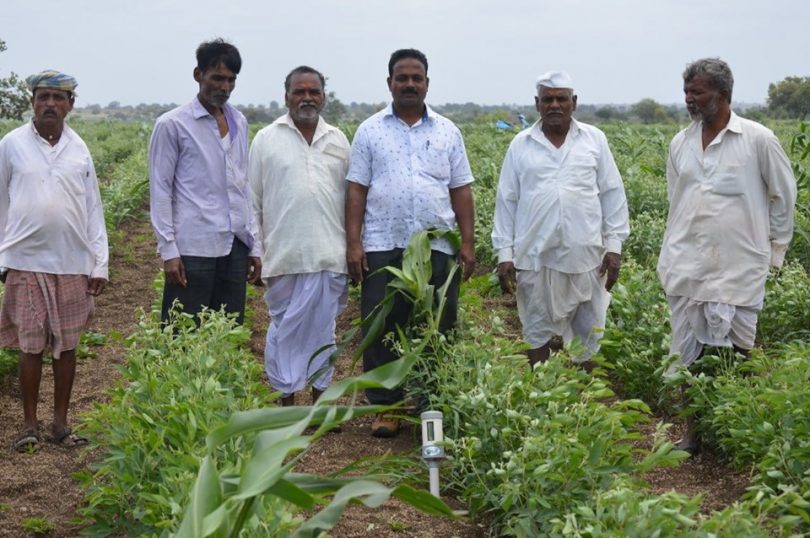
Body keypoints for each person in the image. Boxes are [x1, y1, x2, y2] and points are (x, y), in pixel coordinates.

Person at [658, 58, 796, 454]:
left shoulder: (758, 140)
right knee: (687, 352)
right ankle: (693, 434)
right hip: (686, 261)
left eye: (697, 92)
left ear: (723, 94)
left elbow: (783, 197)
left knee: (738, 351)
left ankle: (737, 429)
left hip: (739, 265)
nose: (690, 99)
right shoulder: (680, 143)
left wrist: (775, 252)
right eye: (687, 92)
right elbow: (676, 199)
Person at [346, 48, 476, 437]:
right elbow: (356, 191)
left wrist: (467, 243)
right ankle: (387, 406)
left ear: (427, 83)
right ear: (389, 83)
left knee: (438, 323)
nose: (409, 84)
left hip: (438, 245)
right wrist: (354, 244)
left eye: (416, 78)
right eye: (402, 78)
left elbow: (461, 191)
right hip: (384, 243)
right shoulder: (370, 131)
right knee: (385, 323)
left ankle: (431, 400)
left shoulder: (448, 131)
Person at [0, 70, 108, 452]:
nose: (50, 104)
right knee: (30, 346)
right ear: (32, 102)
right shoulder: (11, 145)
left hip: (73, 261)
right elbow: (1, 202)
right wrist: (3, 257)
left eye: (58, 98)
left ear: (70, 105)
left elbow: (93, 207)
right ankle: (29, 424)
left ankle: (60, 424)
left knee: (67, 346)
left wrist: (100, 263)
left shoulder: (79, 150)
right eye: (43, 96)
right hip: (25, 259)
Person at [492, 71, 629, 368]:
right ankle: (540, 393)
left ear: (573, 103)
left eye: (561, 99)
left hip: (585, 254)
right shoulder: (521, 144)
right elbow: (507, 201)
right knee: (536, 329)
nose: (555, 105)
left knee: (588, 331)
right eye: (548, 99)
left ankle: (590, 401)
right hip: (535, 255)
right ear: (537, 104)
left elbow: (612, 193)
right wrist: (505, 254)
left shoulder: (594, 140)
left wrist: (614, 246)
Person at [248, 66, 350, 407]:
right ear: (286, 95)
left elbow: (351, 199)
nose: (307, 98)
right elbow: (253, 200)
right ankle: (286, 400)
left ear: (323, 96)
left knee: (324, 331)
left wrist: (353, 248)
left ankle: (321, 402)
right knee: (282, 329)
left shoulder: (337, 139)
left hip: (329, 254)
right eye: (299, 91)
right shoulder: (266, 139)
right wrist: (255, 250)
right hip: (283, 254)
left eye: (314, 91)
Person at [149, 39, 261, 326]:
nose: (224, 87)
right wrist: (169, 251)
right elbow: (161, 190)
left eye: (231, 80)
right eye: (217, 78)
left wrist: (254, 245)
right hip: (193, 247)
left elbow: (243, 185)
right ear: (198, 75)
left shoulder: (238, 121)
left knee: (226, 329)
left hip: (234, 243)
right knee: (183, 332)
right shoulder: (172, 125)